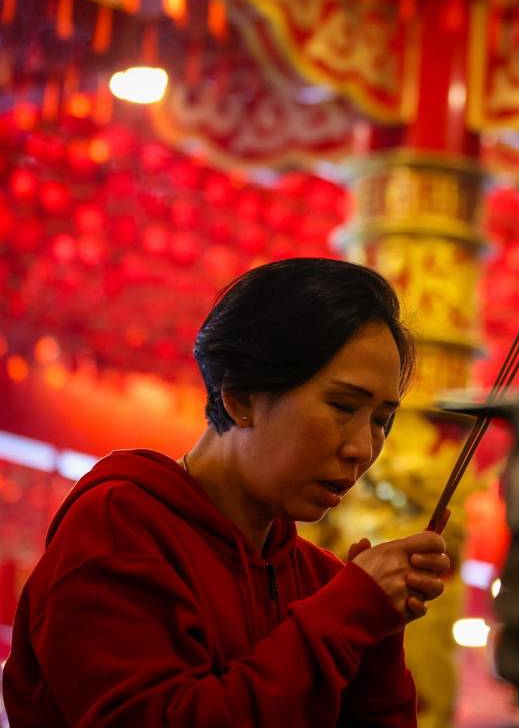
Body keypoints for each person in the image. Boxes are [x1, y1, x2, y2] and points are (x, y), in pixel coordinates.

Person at [2, 258, 451, 727]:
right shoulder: (119, 528)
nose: (363, 448)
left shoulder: (320, 579)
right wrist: (347, 614)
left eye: (382, 421)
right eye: (343, 406)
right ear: (239, 396)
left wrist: (376, 633)